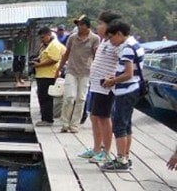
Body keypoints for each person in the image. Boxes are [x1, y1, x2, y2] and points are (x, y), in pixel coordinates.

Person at [79, 11, 123, 164]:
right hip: (96, 85)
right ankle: (97, 148)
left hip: (106, 87)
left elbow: (122, 63)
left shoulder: (115, 44)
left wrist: (114, 78)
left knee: (104, 118)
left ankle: (106, 152)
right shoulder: (104, 41)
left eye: (101, 24)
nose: (98, 27)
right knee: (93, 116)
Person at [100, 20, 143, 172]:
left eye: (111, 37)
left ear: (119, 34)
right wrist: (115, 76)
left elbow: (128, 74)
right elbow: (132, 71)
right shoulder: (136, 45)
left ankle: (121, 160)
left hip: (126, 91)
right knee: (126, 124)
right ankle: (125, 155)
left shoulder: (127, 49)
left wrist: (112, 81)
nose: (110, 41)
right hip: (133, 88)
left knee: (119, 125)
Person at [57, 15, 100, 133]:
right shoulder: (72, 38)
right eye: (78, 25)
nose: (79, 27)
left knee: (81, 98)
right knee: (69, 97)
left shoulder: (95, 39)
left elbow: (96, 55)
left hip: (86, 72)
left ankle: (75, 124)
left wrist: (97, 71)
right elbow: (66, 54)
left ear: (88, 26)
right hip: (71, 70)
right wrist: (59, 68)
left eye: (82, 24)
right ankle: (65, 123)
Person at [31, 27, 65, 126]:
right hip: (42, 74)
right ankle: (45, 118)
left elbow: (54, 59)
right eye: (40, 38)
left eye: (43, 37)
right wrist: (37, 60)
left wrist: (39, 65)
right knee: (43, 97)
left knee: (46, 98)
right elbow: (46, 57)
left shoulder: (54, 45)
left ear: (48, 35)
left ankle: (47, 119)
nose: (41, 40)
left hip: (48, 75)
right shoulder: (46, 45)